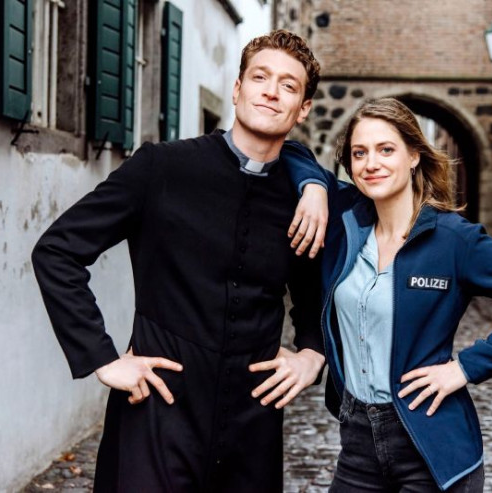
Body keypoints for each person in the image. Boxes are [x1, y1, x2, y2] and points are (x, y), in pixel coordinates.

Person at [32, 30, 330, 492]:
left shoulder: (305, 200)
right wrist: (101, 357)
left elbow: (317, 296)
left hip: (252, 427)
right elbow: (58, 251)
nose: (271, 92)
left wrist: (312, 352)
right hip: (156, 414)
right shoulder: (161, 168)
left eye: (288, 85)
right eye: (260, 78)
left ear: (304, 108)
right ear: (238, 89)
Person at [282, 98, 492, 492]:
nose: (371, 163)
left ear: (414, 155)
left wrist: (464, 368)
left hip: (431, 445)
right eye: (359, 153)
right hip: (357, 441)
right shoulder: (343, 224)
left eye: (386, 149)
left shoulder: (455, 239)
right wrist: (314, 187)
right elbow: (290, 152)